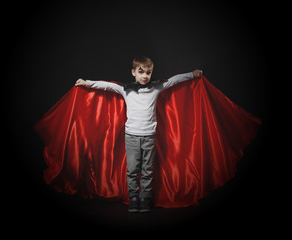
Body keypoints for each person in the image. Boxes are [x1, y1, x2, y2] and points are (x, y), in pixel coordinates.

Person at [75, 56, 202, 212]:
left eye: (148, 73)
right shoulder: (125, 89)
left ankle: (144, 199)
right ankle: (133, 198)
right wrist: (87, 83)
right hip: (132, 137)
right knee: (133, 170)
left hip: (149, 136)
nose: (145, 76)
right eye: (141, 72)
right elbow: (106, 86)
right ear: (133, 72)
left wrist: (191, 74)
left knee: (148, 170)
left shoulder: (156, 88)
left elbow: (174, 80)